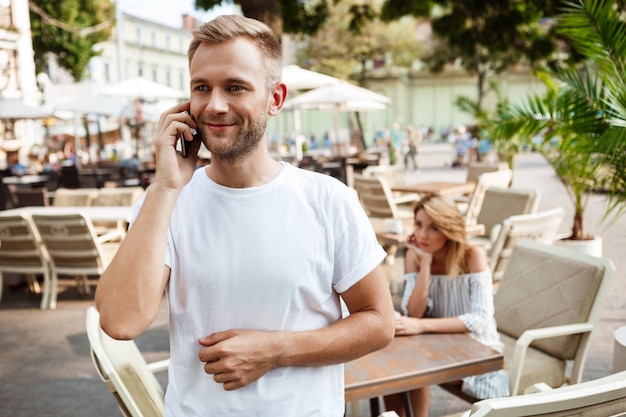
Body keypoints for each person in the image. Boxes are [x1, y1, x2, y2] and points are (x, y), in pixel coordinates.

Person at [95, 14, 395, 417]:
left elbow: (378, 322)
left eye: (234, 87)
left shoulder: (328, 199)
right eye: (202, 87)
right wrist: (165, 187)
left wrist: (275, 350)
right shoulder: (166, 202)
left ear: (275, 98)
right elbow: (119, 321)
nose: (215, 105)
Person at [384, 194, 509, 417]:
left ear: (448, 228)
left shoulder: (472, 256)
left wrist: (421, 326)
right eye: (419, 224)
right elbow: (414, 312)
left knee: (409, 367)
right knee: (396, 369)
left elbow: (479, 320)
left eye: (433, 228)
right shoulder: (416, 256)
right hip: (437, 344)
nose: (422, 234)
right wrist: (426, 264)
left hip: (477, 349)